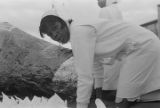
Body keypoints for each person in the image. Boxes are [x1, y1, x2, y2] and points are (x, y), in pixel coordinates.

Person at [39, 7, 160, 108]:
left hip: (141, 47)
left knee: (122, 102)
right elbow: (95, 65)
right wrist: (99, 93)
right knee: (126, 99)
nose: (54, 34)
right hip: (137, 48)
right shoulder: (78, 32)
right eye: (50, 34)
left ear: (63, 22)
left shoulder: (78, 32)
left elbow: (84, 77)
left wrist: (81, 105)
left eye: (55, 28)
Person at [95, 0, 123, 100]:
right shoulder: (115, 9)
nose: (97, 1)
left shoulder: (106, 11)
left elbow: (103, 30)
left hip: (111, 50)